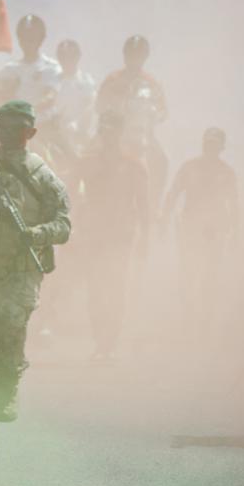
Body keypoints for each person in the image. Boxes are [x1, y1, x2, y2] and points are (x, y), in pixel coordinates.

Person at [0, 100, 70, 467]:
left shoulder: (42, 175)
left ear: (31, 132)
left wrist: (36, 233)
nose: (7, 132)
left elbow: (64, 225)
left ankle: (10, 380)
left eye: (15, 126)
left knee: (9, 325)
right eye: (2, 126)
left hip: (20, 271)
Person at [72, 111, 148, 360]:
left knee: (116, 289)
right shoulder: (87, 162)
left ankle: (108, 343)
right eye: (104, 129)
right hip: (93, 234)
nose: (108, 134)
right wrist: (71, 230)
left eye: (113, 129)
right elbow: (70, 197)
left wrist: (145, 240)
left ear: (120, 132)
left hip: (121, 237)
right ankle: (99, 340)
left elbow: (144, 205)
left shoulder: (135, 165)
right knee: (95, 290)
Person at [162, 127, 238, 339]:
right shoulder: (189, 168)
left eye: (215, 144)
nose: (211, 148)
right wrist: (164, 220)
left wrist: (235, 233)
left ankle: (205, 323)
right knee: (187, 275)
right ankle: (188, 320)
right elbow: (173, 194)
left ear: (221, 147)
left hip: (215, 231)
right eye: (208, 144)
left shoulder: (226, 172)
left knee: (210, 278)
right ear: (204, 145)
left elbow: (234, 204)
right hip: (190, 229)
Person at [96, 35, 168, 206]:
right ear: (124, 55)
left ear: (145, 57)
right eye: (131, 54)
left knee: (163, 160)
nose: (134, 59)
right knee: (84, 155)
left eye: (138, 55)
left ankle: (154, 202)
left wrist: (153, 115)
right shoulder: (112, 79)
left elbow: (164, 111)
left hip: (143, 135)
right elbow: (98, 106)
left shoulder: (151, 83)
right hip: (112, 133)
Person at [0, 15, 62, 113]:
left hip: (43, 125)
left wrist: (30, 110)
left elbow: (51, 96)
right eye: (24, 37)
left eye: (32, 37)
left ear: (41, 39)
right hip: (16, 126)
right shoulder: (9, 70)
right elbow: (0, 97)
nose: (27, 42)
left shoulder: (52, 68)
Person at [52, 39, 96, 155]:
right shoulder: (52, 81)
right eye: (63, 56)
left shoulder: (86, 81)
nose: (67, 60)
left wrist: (79, 126)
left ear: (77, 57)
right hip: (55, 135)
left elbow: (90, 107)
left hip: (79, 135)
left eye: (70, 56)